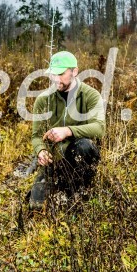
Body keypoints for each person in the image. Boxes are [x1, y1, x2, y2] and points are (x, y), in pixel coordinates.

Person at [29, 51, 105, 209]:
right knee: (36, 207)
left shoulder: (91, 95)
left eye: (61, 74)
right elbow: (36, 136)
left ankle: (81, 192)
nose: (56, 79)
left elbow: (99, 128)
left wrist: (68, 131)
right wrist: (41, 150)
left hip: (79, 156)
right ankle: (58, 187)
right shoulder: (43, 100)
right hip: (54, 159)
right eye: (53, 74)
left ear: (74, 71)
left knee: (85, 146)